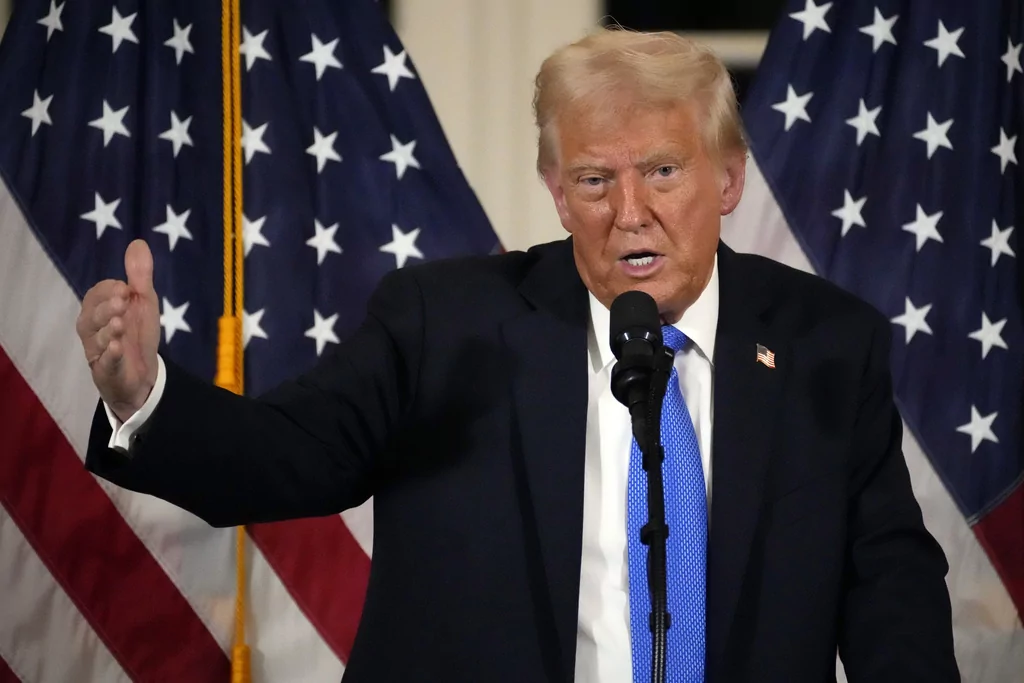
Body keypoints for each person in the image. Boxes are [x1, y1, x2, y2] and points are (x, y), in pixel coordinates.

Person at [78, 27, 959, 683]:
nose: (629, 210)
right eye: (593, 179)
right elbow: (283, 458)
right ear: (555, 191)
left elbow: (891, 589)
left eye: (662, 170)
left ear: (727, 179)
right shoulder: (445, 325)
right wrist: (144, 391)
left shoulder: (825, 346)